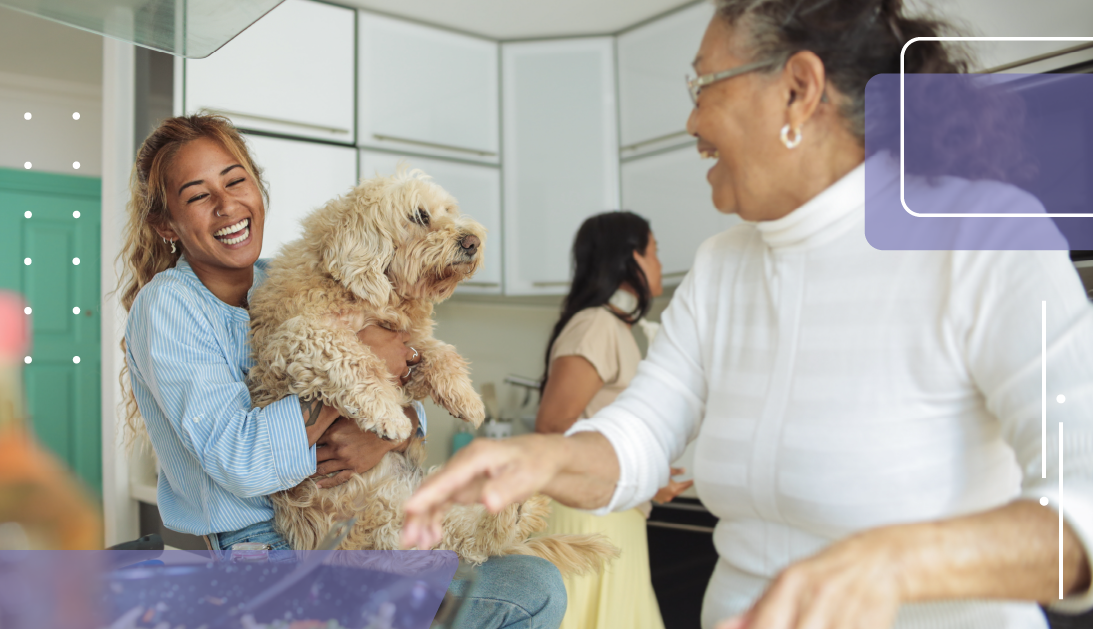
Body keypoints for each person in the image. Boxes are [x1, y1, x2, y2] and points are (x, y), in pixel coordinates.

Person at [402, 2, 1093, 628]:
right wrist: (538, 456)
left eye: (704, 85)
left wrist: (891, 561)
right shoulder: (723, 264)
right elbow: (640, 436)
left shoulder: (986, 239)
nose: (691, 121)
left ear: (797, 88)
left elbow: (1080, 506)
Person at [118, 114, 567, 628]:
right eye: (198, 195)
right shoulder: (170, 306)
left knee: (528, 574)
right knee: (528, 590)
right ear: (165, 223)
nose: (226, 205)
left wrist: (390, 436)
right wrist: (360, 382)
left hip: (351, 521)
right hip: (258, 555)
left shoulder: (280, 279)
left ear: (258, 188)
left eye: (236, 180)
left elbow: (398, 387)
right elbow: (240, 459)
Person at [535, 210, 693, 629]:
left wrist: (648, 477)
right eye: (655, 252)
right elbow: (552, 428)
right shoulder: (597, 325)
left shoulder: (618, 329)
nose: (660, 263)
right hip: (589, 517)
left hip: (611, 510)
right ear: (630, 260)